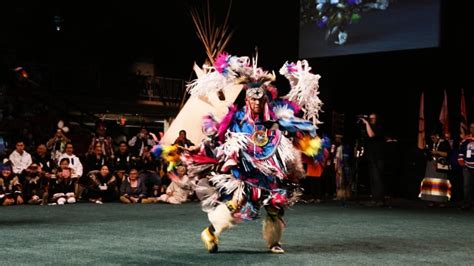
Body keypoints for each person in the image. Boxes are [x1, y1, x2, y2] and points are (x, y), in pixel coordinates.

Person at [183, 54, 324, 254]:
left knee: (275, 206)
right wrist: (200, 147)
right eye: (253, 99)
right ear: (247, 99)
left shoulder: (274, 115)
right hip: (246, 167)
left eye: (260, 99)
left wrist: (308, 139)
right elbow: (218, 136)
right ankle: (210, 232)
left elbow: (293, 123)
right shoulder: (237, 117)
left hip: (271, 168)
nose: (257, 103)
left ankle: (274, 241)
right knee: (236, 203)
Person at [419, 131, 452, 206]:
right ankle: (431, 200)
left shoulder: (444, 143)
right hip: (431, 164)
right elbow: (427, 152)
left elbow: (447, 154)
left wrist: (436, 152)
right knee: (430, 182)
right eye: (431, 138)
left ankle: (441, 201)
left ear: (437, 136)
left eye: (433, 137)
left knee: (440, 183)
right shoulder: (431, 143)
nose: (432, 139)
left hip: (441, 164)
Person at [360, 113, 386, 206]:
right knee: (373, 179)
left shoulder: (379, 127)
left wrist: (367, 124)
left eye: (373, 119)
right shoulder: (369, 127)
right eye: (370, 119)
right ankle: (374, 199)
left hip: (379, 157)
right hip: (371, 157)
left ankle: (380, 200)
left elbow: (371, 135)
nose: (371, 120)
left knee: (378, 178)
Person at [458, 122, 474, 210]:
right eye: (471, 127)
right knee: (466, 185)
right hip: (467, 166)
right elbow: (461, 152)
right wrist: (462, 162)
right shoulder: (465, 140)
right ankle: (466, 203)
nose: (473, 129)